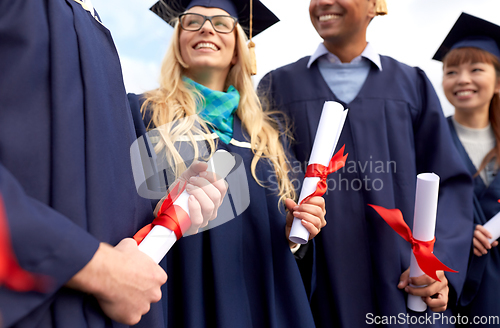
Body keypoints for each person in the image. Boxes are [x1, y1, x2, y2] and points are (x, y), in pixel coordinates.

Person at [0, 0, 226, 327]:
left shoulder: (95, 30)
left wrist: (165, 209)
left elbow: (89, 191)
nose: (207, 30)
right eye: (193, 22)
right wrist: (100, 269)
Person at [258, 0, 474, 327]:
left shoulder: (411, 84)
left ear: (374, 5)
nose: (323, 3)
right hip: (320, 291)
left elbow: (451, 186)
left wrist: (436, 266)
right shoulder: (278, 87)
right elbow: (267, 186)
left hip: (406, 289)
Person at [127, 0, 326, 327]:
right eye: (193, 21)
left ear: (239, 48)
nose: (206, 28)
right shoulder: (143, 115)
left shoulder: (268, 139)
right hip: (179, 298)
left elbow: (288, 247)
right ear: (178, 42)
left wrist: (295, 234)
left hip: (261, 302)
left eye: (221, 23)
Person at [435, 13, 500, 326]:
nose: (462, 79)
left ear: (498, 81)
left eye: (476, 69)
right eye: (451, 71)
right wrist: (456, 233)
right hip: (448, 283)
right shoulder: (428, 141)